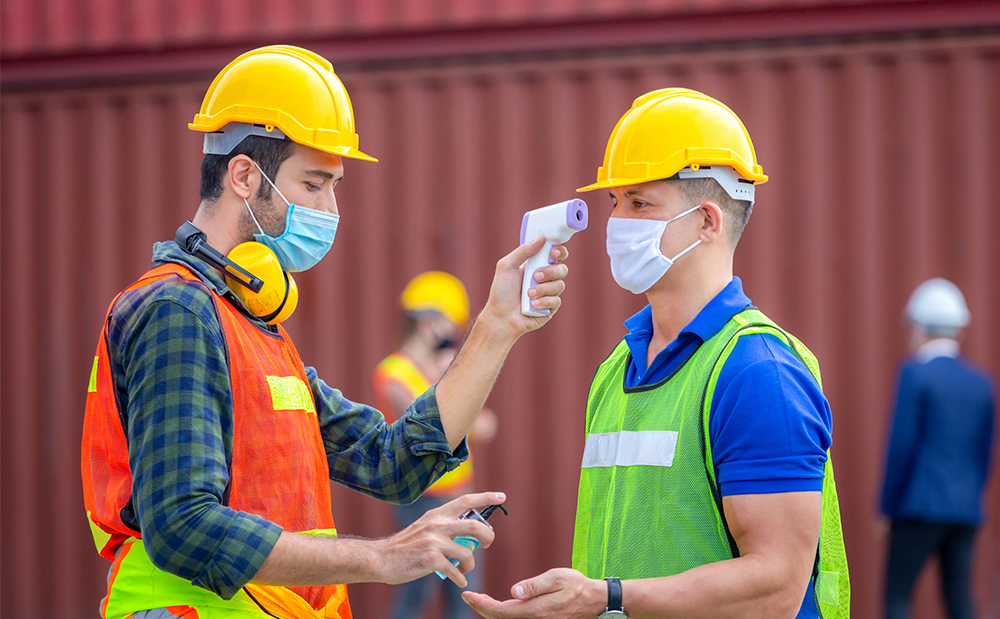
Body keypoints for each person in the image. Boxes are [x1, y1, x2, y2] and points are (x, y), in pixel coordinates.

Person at [80, 45, 570, 619]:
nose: (331, 208)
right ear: (244, 175)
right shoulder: (178, 311)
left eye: (334, 185)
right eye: (314, 185)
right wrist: (381, 557)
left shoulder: (254, 327)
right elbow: (183, 527)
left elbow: (391, 462)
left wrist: (497, 325)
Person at [463, 88, 850, 619]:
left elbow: (776, 587)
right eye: (615, 202)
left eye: (640, 203)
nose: (617, 221)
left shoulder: (758, 373)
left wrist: (608, 599)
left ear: (708, 222)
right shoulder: (617, 368)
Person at [373, 271, 499, 619]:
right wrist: (448, 377)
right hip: (421, 500)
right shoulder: (394, 371)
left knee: (464, 594)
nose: (452, 334)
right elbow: (433, 425)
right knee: (416, 594)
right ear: (429, 321)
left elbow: (487, 426)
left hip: (459, 496)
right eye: (448, 323)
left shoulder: (443, 369)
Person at [880, 278, 995, 619]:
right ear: (960, 330)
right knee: (960, 600)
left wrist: (886, 508)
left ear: (918, 327)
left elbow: (901, 449)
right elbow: (984, 454)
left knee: (898, 597)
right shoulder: (981, 383)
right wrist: (971, 497)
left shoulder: (915, 375)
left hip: (917, 507)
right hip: (965, 510)